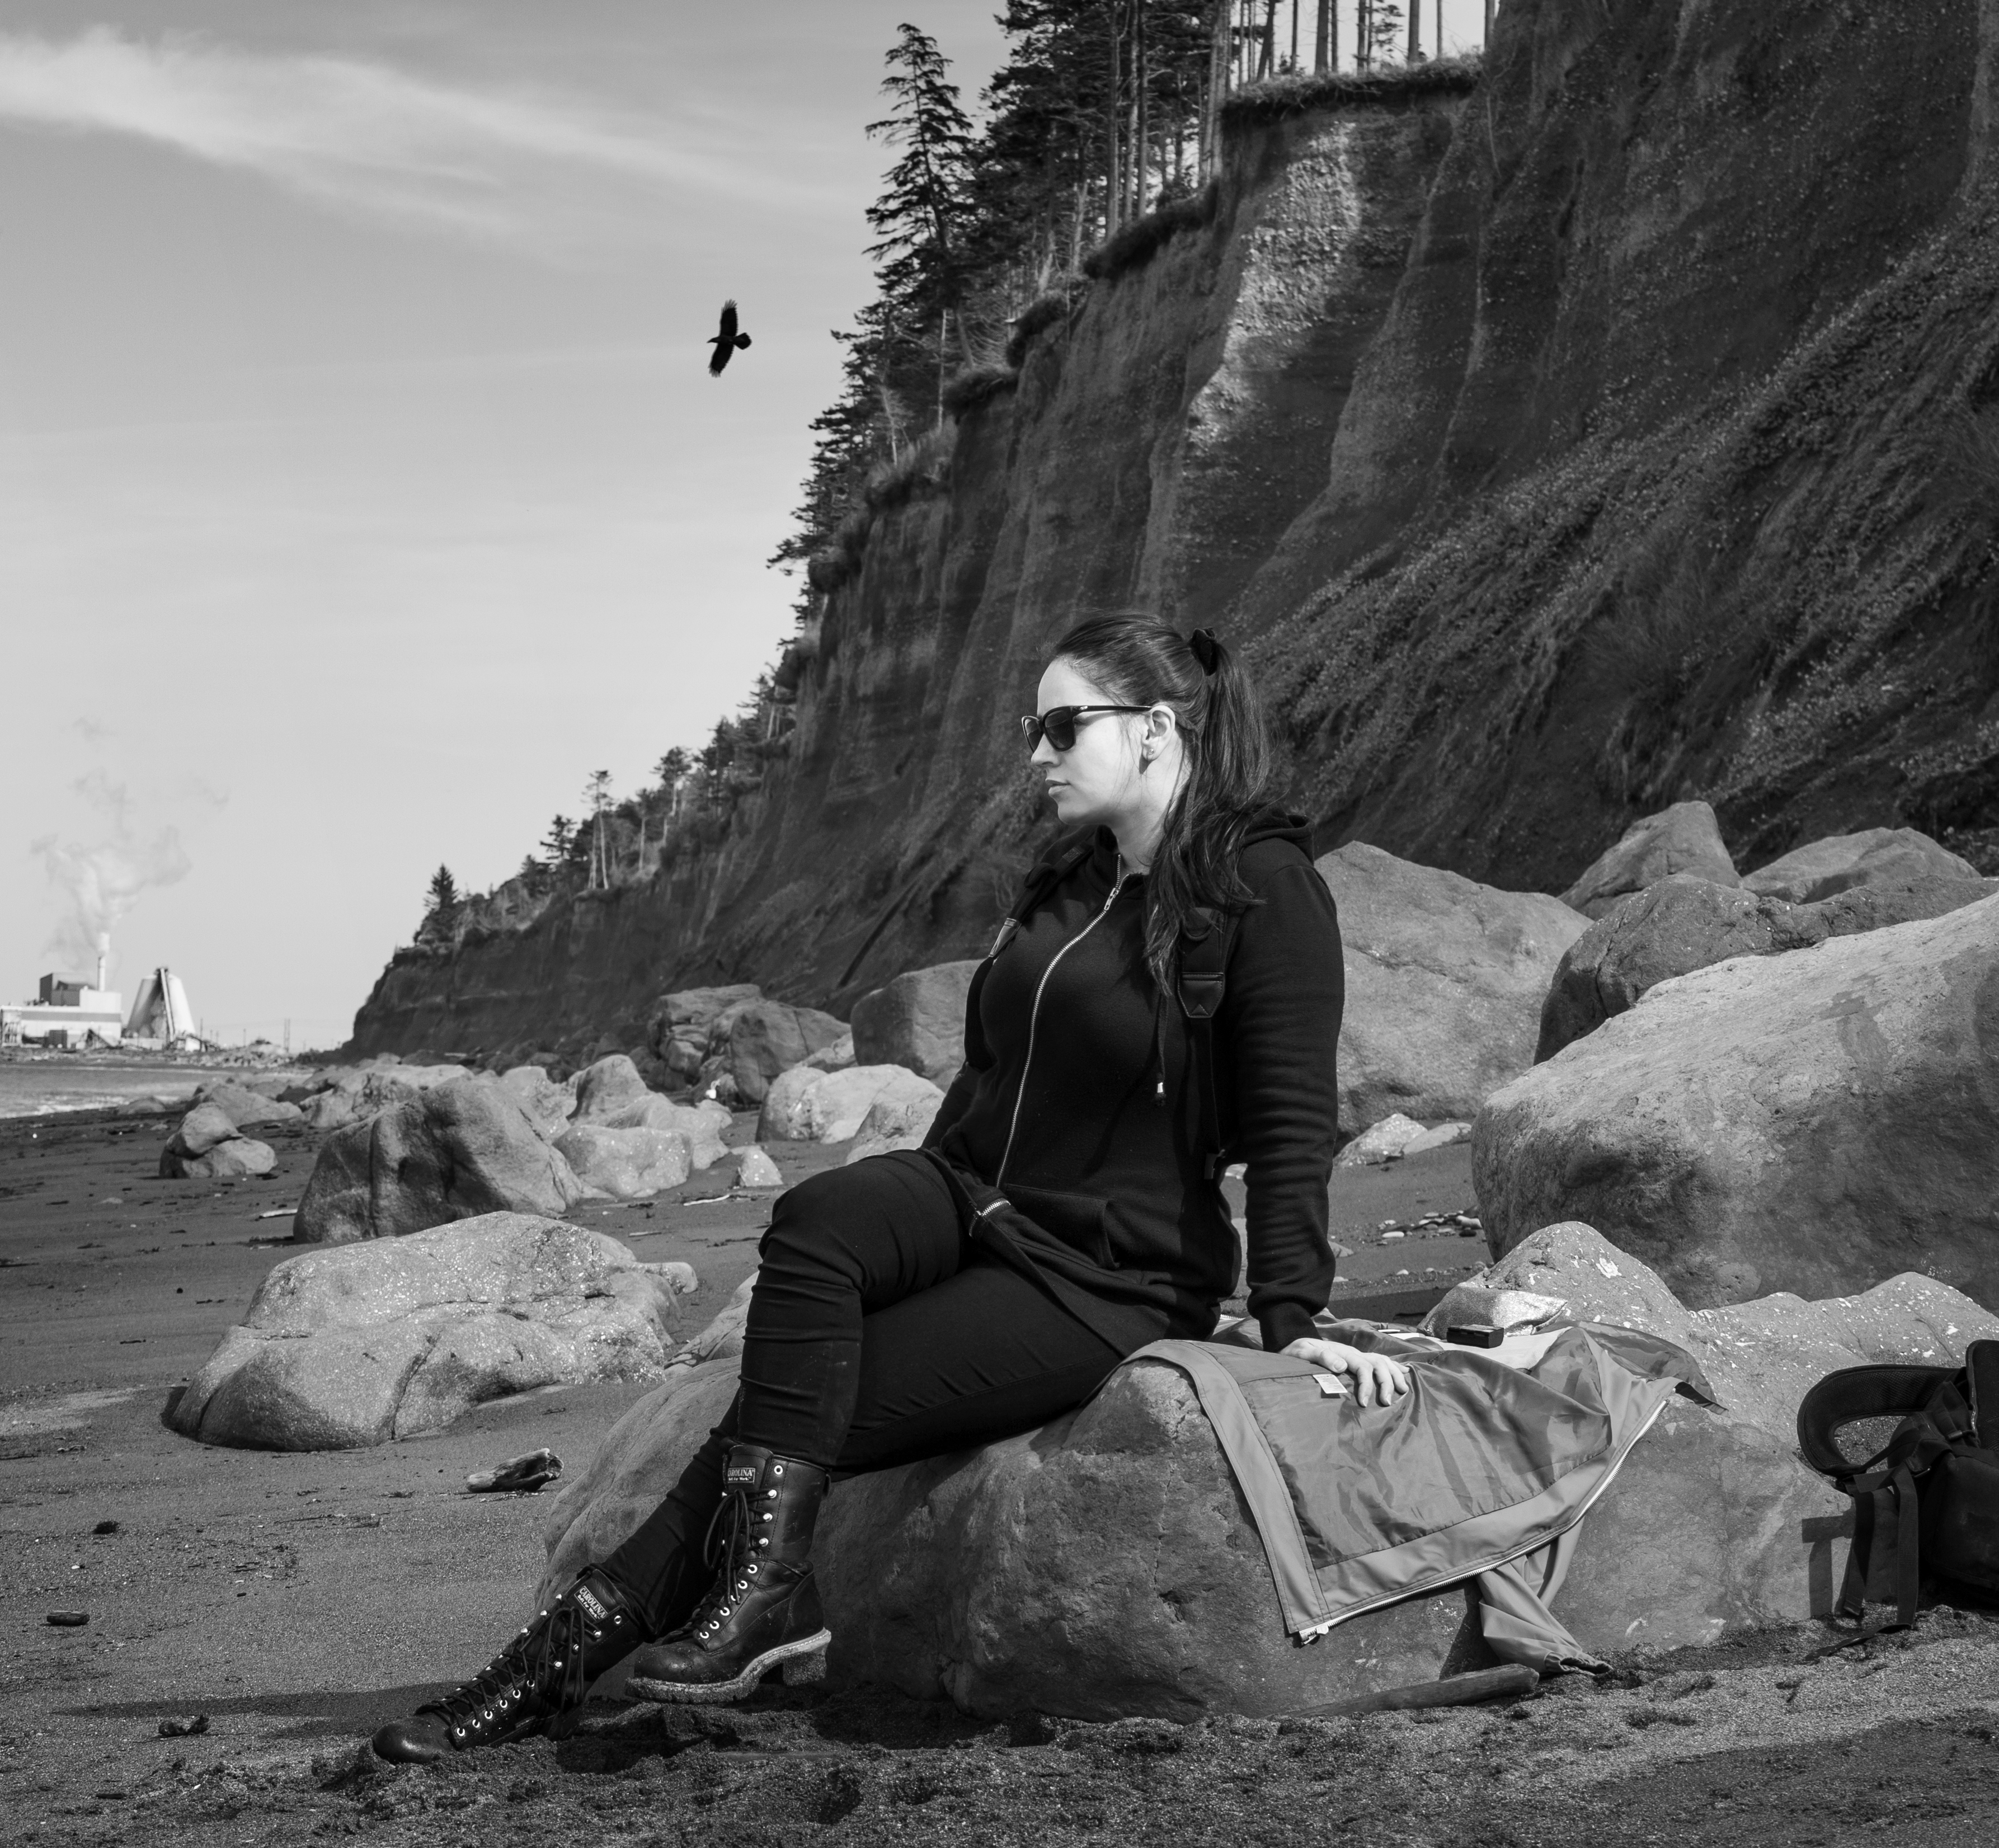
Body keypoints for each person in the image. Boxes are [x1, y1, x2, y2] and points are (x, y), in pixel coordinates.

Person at [369, 613, 1408, 1762]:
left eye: (1063, 727)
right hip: (973, 1196)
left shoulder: (1260, 887)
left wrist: (1292, 1318)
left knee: (777, 1424)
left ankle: (546, 1665)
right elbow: (992, 1070)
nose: (1035, 755)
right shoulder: (1069, 878)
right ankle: (752, 1588)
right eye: (1031, 730)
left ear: (1156, 730)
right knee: (816, 1216)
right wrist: (933, 1188)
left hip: (1103, 1272)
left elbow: (1288, 1119)